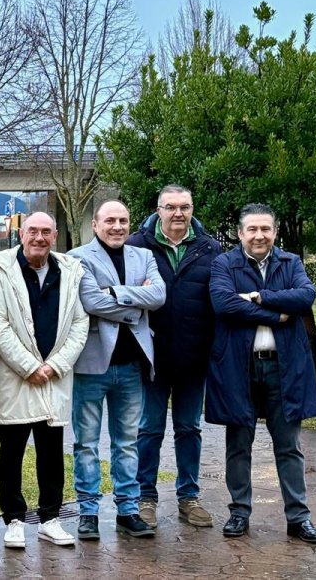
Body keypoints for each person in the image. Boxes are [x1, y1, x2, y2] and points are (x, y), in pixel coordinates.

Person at [208, 203, 316, 544]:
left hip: (283, 366)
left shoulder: (291, 263)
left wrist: (260, 296)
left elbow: (305, 297)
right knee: (238, 444)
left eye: (266, 229)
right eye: (252, 229)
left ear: (275, 232)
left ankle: (298, 518)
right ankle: (238, 514)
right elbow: (224, 304)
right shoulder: (223, 264)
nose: (259, 236)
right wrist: (277, 314)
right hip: (238, 366)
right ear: (240, 233)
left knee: (289, 446)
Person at [0, 212, 87, 549]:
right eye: (33, 231)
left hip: (54, 378)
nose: (39, 238)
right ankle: (14, 519)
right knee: (11, 452)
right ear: (21, 232)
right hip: (17, 378)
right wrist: (30, 366)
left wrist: (56, 365)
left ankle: (50, 519)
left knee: (51, 451)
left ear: (55, 236)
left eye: (46, 231)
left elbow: (79, 323)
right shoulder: (0, 269)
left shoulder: (70, 271)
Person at [68, 200, 165, 541]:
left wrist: (117, 294)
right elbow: (91, 301)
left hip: (131, 367)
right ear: (95, 224)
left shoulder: (144, 256)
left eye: (123, 220)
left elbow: (159, 295)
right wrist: (134, 307)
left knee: (127, 443)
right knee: (87, 445)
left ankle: (128, 509)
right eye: (110, 220)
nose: (117, 226)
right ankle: (88, 513)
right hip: (92, 366)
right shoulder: (78, 257)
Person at [126, 185, 222, 529]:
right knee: (149, 429)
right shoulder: (136, 246)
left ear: (193, 209)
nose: (178, 214)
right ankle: (146, 498)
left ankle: (189, 497)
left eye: (184, 207)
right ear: (159, 209)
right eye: (171, 207)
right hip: (151, 358)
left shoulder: (210, 249)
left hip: (194, 359)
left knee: (189, 428)